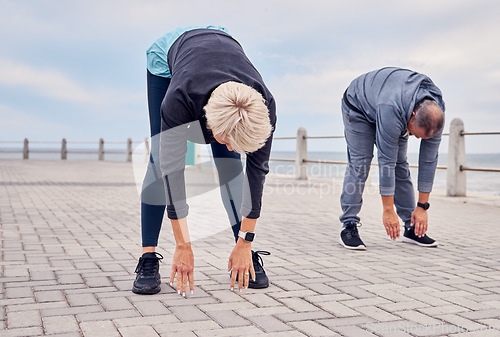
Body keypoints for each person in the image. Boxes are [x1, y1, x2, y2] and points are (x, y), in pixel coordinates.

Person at [133, 26, 276, 295]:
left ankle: (241, 249)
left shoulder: (263, 108)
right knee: (159, 159)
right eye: (226, 137)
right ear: (210, 124)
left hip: (222, 43)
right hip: (169, 57)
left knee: (231, 165)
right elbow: (172, 173)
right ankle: (148, 257)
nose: (233, 145)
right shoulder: (178, 100)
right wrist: (183, 245)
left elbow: (257, 172)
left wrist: (246, 240)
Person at [339, 67, 445, 250]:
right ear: (411, 117)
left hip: (389, 101)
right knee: (360, 164)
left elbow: (428, 160)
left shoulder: (436, 111)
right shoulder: (392, 108)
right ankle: (349, 224)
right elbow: (385, 162)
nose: (418, 139)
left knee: (400, 165)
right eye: (416, 135)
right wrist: (388, 211)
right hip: (358, 106)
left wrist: (422, 207)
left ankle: (411, 228)